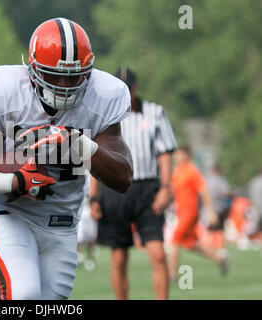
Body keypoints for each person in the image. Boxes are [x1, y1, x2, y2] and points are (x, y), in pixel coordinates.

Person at [0, 17, 133, 300]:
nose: (64, 84)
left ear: (88, 72)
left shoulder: (105, 95)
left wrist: (78, 144)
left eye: (73, 76)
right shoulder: (3, 92)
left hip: (63, 219)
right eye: (54, 75)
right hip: (10, 213)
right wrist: (15, 180)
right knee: (24, 294)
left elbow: (123, 177)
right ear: (33, 70)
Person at [90, 67, 177, 300]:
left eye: (127, 88)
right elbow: (94, 158)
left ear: (135, 88)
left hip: (147, 188)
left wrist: (166, 189)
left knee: (157, 254)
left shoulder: (154, 113)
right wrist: (93, 197)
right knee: (119, 256)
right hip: (114, 188)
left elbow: (165, 153)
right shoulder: (103, 115)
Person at [167, 146, 228, 280]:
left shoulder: (191, 170)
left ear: (186, 155)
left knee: (175, 239)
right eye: (175, 155)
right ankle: (220, 259)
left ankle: (171, 274)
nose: (176, 158)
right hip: (180, 211)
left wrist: (211, 212)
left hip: (189, 212)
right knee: (191, 244)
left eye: (179, 155)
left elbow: (204, 191)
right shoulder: (177, 171)